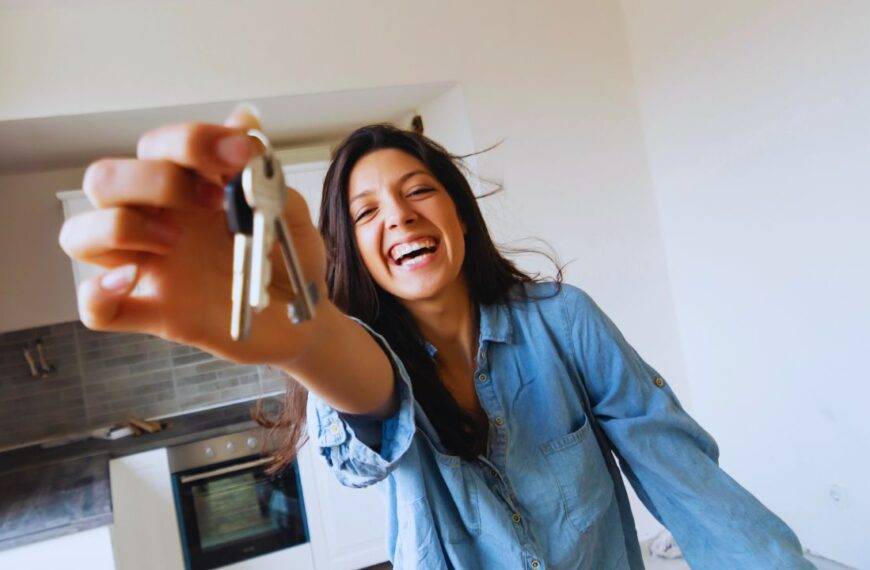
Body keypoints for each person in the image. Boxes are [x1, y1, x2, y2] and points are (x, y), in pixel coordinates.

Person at [59, 108, 813, 569]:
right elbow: (365, 400)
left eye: (419, 192)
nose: (399, 217)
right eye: (365, 212)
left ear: (458, 214)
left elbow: (685, 478)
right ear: (352, 249)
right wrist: (303, 334)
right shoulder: (352, 353)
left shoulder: (564, 318)